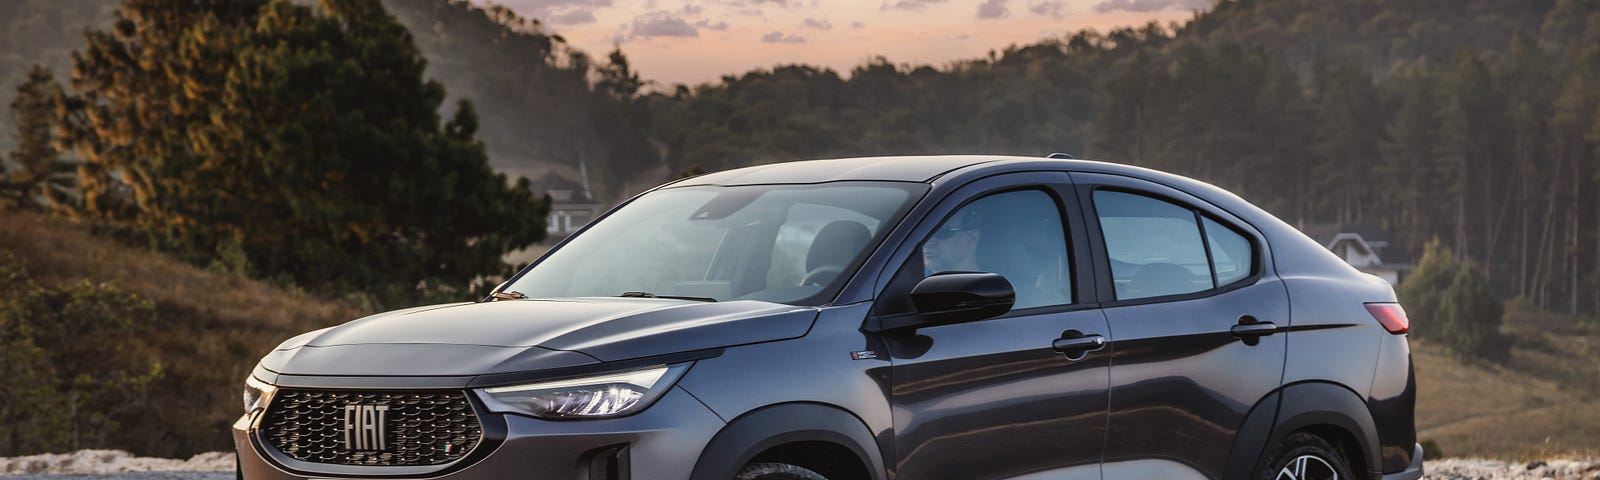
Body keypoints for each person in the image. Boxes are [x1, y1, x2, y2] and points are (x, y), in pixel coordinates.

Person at [923, 209, 982, 275]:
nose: (927, 242)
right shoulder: (912, 283)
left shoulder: (991, 284)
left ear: (972, 238)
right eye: (923, 234)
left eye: (942, 232)